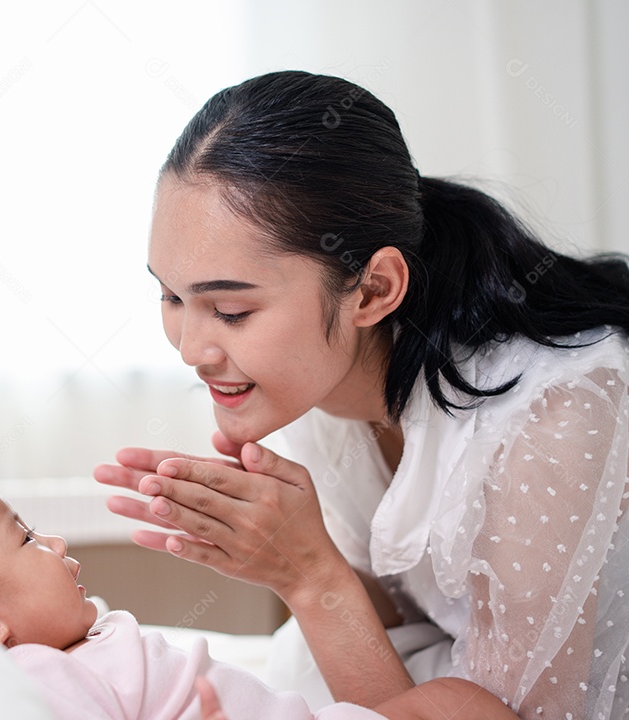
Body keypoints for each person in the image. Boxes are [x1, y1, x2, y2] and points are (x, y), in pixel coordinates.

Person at [92, 70, 629, 720]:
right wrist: (271, 545)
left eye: (230, 310)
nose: (190, 348)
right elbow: (412, 612)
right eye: (171, 297)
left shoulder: (551, 415)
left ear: (374, 291)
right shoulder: (323, 373)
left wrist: (308, 575)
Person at [0, 481, 519, 720]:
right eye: (25, 539)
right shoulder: (41, 677)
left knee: (460, 703)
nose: (54, 540)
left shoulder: (77, 647)